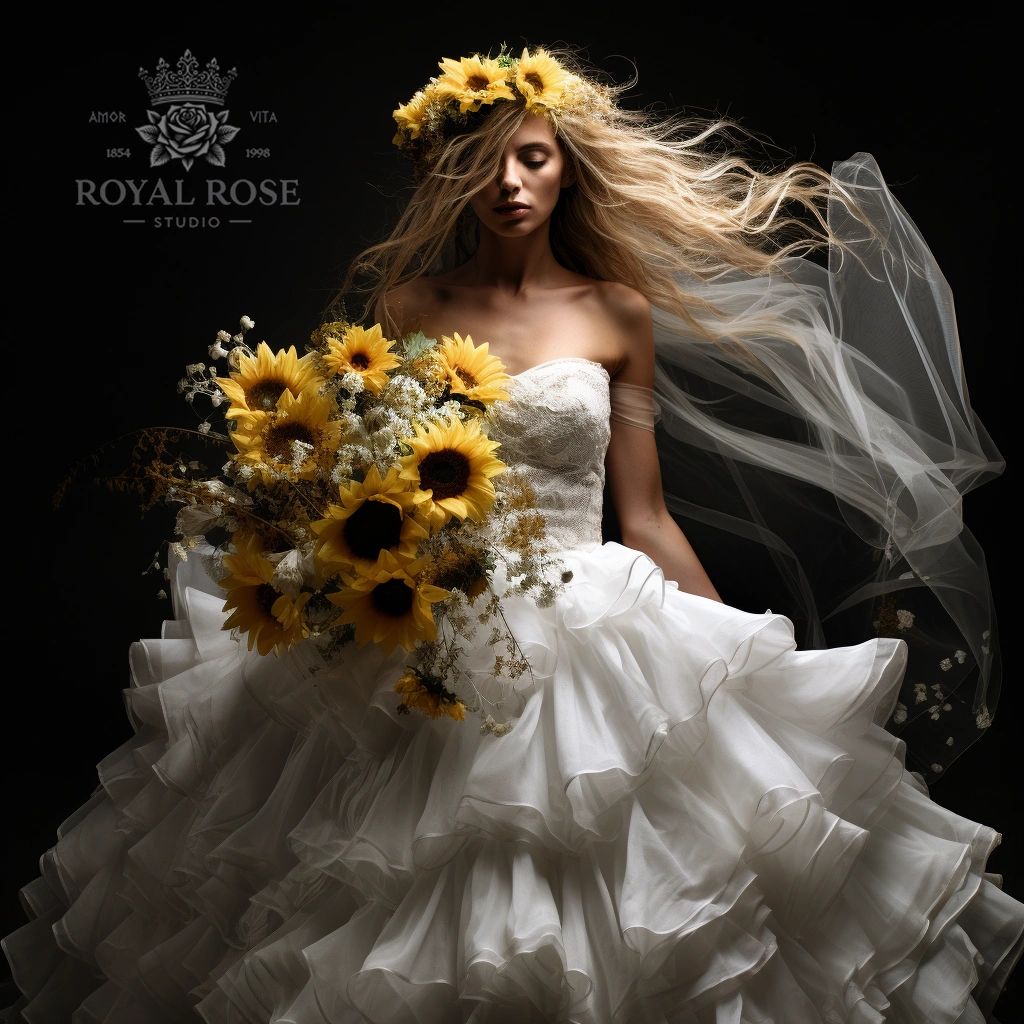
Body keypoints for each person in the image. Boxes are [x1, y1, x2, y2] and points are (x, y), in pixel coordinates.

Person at [3, 42, 1021, 1024]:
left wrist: (740, 659)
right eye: (483, 162)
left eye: (532, 156)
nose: (510, 181)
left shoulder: (616, 312)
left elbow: (646, 513)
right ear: (452, 177)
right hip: (427, 619)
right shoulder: (408, 309)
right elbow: (367, 475)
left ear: (566, 168)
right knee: (378, 891)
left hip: (590, 617)